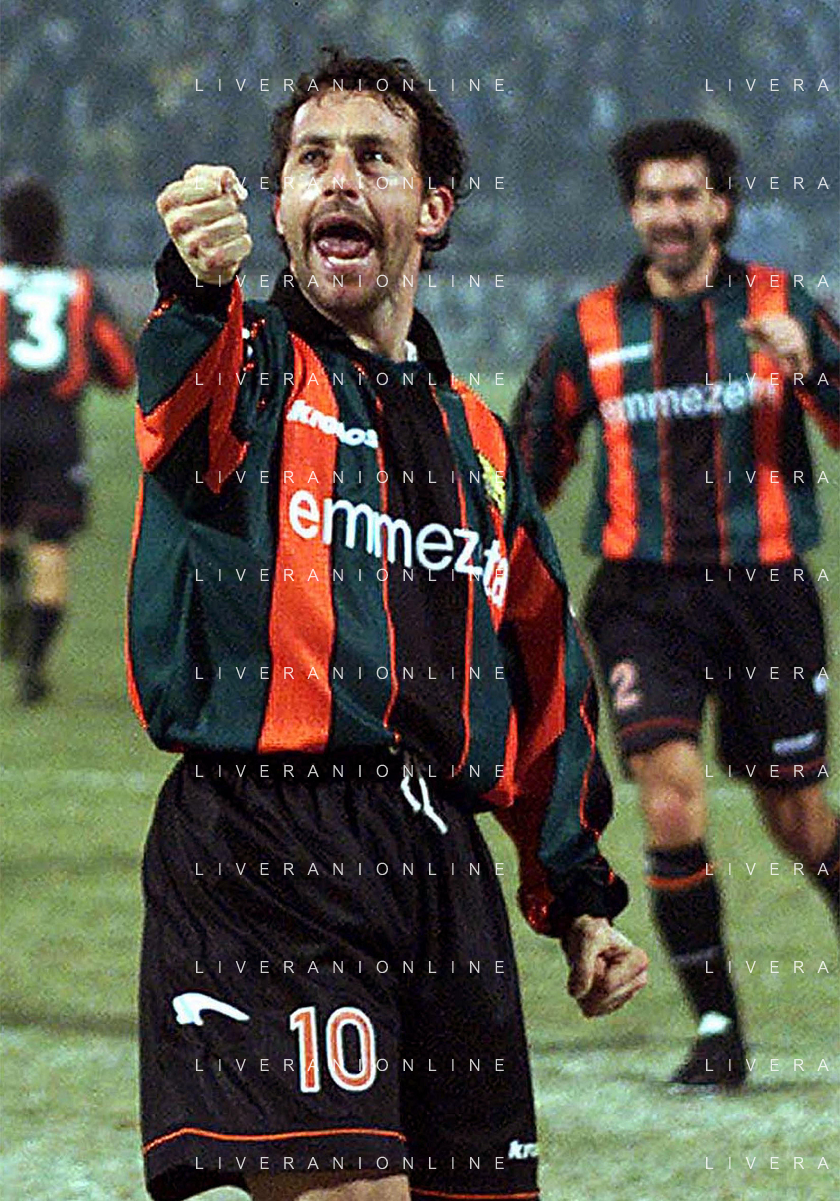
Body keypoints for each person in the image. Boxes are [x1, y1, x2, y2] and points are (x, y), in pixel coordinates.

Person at [129, 49, 648, 1201]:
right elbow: (176, 388)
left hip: (440, 864)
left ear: (434, 207)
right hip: (268, 843)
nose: (339, 178)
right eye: (312, 159)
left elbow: (542, 678)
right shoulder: (248, 368)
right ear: (279, 209)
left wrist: (575, 900)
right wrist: (194, 278)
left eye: (375, 158)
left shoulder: (480, 442)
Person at [512, 118, 839, 1089]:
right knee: (668, 790)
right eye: (652, 197)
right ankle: (717, 1028)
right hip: (643, 596)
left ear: (721, 206)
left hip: (766, 594)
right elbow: (528, 463)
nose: (669, 214)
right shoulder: (589, 329)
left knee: (798, 816)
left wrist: (813, 371)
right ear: (633, 211)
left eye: (687, 195)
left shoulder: (780, 305)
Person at [0, 173, 136, 703]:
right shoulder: (79, 284)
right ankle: (33, 667)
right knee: (51, 545)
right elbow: (120, 369)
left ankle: (7, 582)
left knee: (4, 528)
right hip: (56, 429)